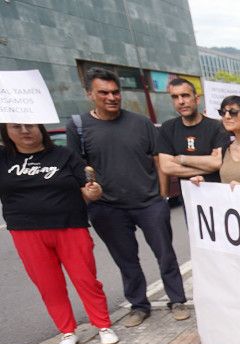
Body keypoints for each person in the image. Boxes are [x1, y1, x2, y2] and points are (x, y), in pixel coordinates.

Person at [66, 67, 188, 326]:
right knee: (126, 259)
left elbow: (158, 159)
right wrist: (89, 191)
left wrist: (163, 196)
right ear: (90, 94)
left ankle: (177, 299)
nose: (112, 97)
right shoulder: (78, 127)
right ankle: (139, 306)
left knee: (165, 253)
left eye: (116, 92)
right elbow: (78, 167)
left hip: (149, 203)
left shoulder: (140, 122)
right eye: (104, 92)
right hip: (108, 208)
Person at [1, 122, 119, 344]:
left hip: (70, 227)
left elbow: (89, 187)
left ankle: (103, 325)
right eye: (17, 127)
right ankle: (67, 330)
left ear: (41, 128)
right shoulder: (3, 158)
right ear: (6, 131)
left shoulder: (63, 155)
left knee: (85, 278)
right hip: (26, 231)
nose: (25, 131)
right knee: (48, 285)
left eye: (30, 125)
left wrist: (93, 191)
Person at [156, 77, 226, 186]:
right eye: (175, 97)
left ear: (197, 99)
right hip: (186, 198)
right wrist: (208, 166)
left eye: (185, 95)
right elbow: (166, 167)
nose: (181, 101)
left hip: (216, 195)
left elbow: (217, 162)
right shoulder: (167, 128)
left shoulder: (217, 126)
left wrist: (182, 159)